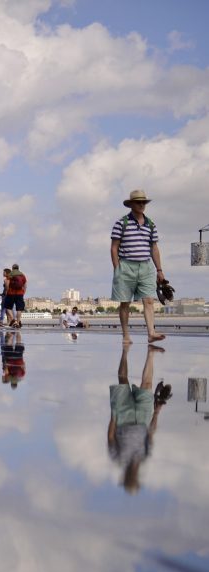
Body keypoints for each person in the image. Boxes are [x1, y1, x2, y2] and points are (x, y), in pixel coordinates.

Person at [108, 344, 169, 493]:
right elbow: (150, 434)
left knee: (123, 380)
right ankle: (151, 353)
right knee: (147, 383)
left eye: (130, 480)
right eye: (135, 480)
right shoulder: (144, 456)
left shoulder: (118, 458)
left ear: (126, 477)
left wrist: (114, 414)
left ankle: (125, 352)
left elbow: (110, 437)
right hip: (142, 419)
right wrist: (156, 413)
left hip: (122, 416)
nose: (133, 477)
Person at [111, 189, 166, 344]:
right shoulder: (121, 223)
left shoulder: (151, 224)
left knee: (149, 300)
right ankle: (126, 335)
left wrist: (160, 270)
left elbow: (154, 247)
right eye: (138, 202)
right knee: (125, 302)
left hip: (146, 266)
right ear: (131, 204)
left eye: (143, 202)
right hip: (126, 265)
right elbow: (114, 247)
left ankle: (151, 333)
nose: (141, 204)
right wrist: (117, 268)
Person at [3, 264, 27, 328]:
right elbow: (25, 285)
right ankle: (18, 322)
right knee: (19, 309)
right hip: (20, 294)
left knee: (8, 307)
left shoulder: (10, 275)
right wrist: (23, 292)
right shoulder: (22, 275)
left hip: (11, 293)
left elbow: (7, 284)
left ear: (12, 268)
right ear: (18, 268)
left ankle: (13, 319)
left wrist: (7, 291)